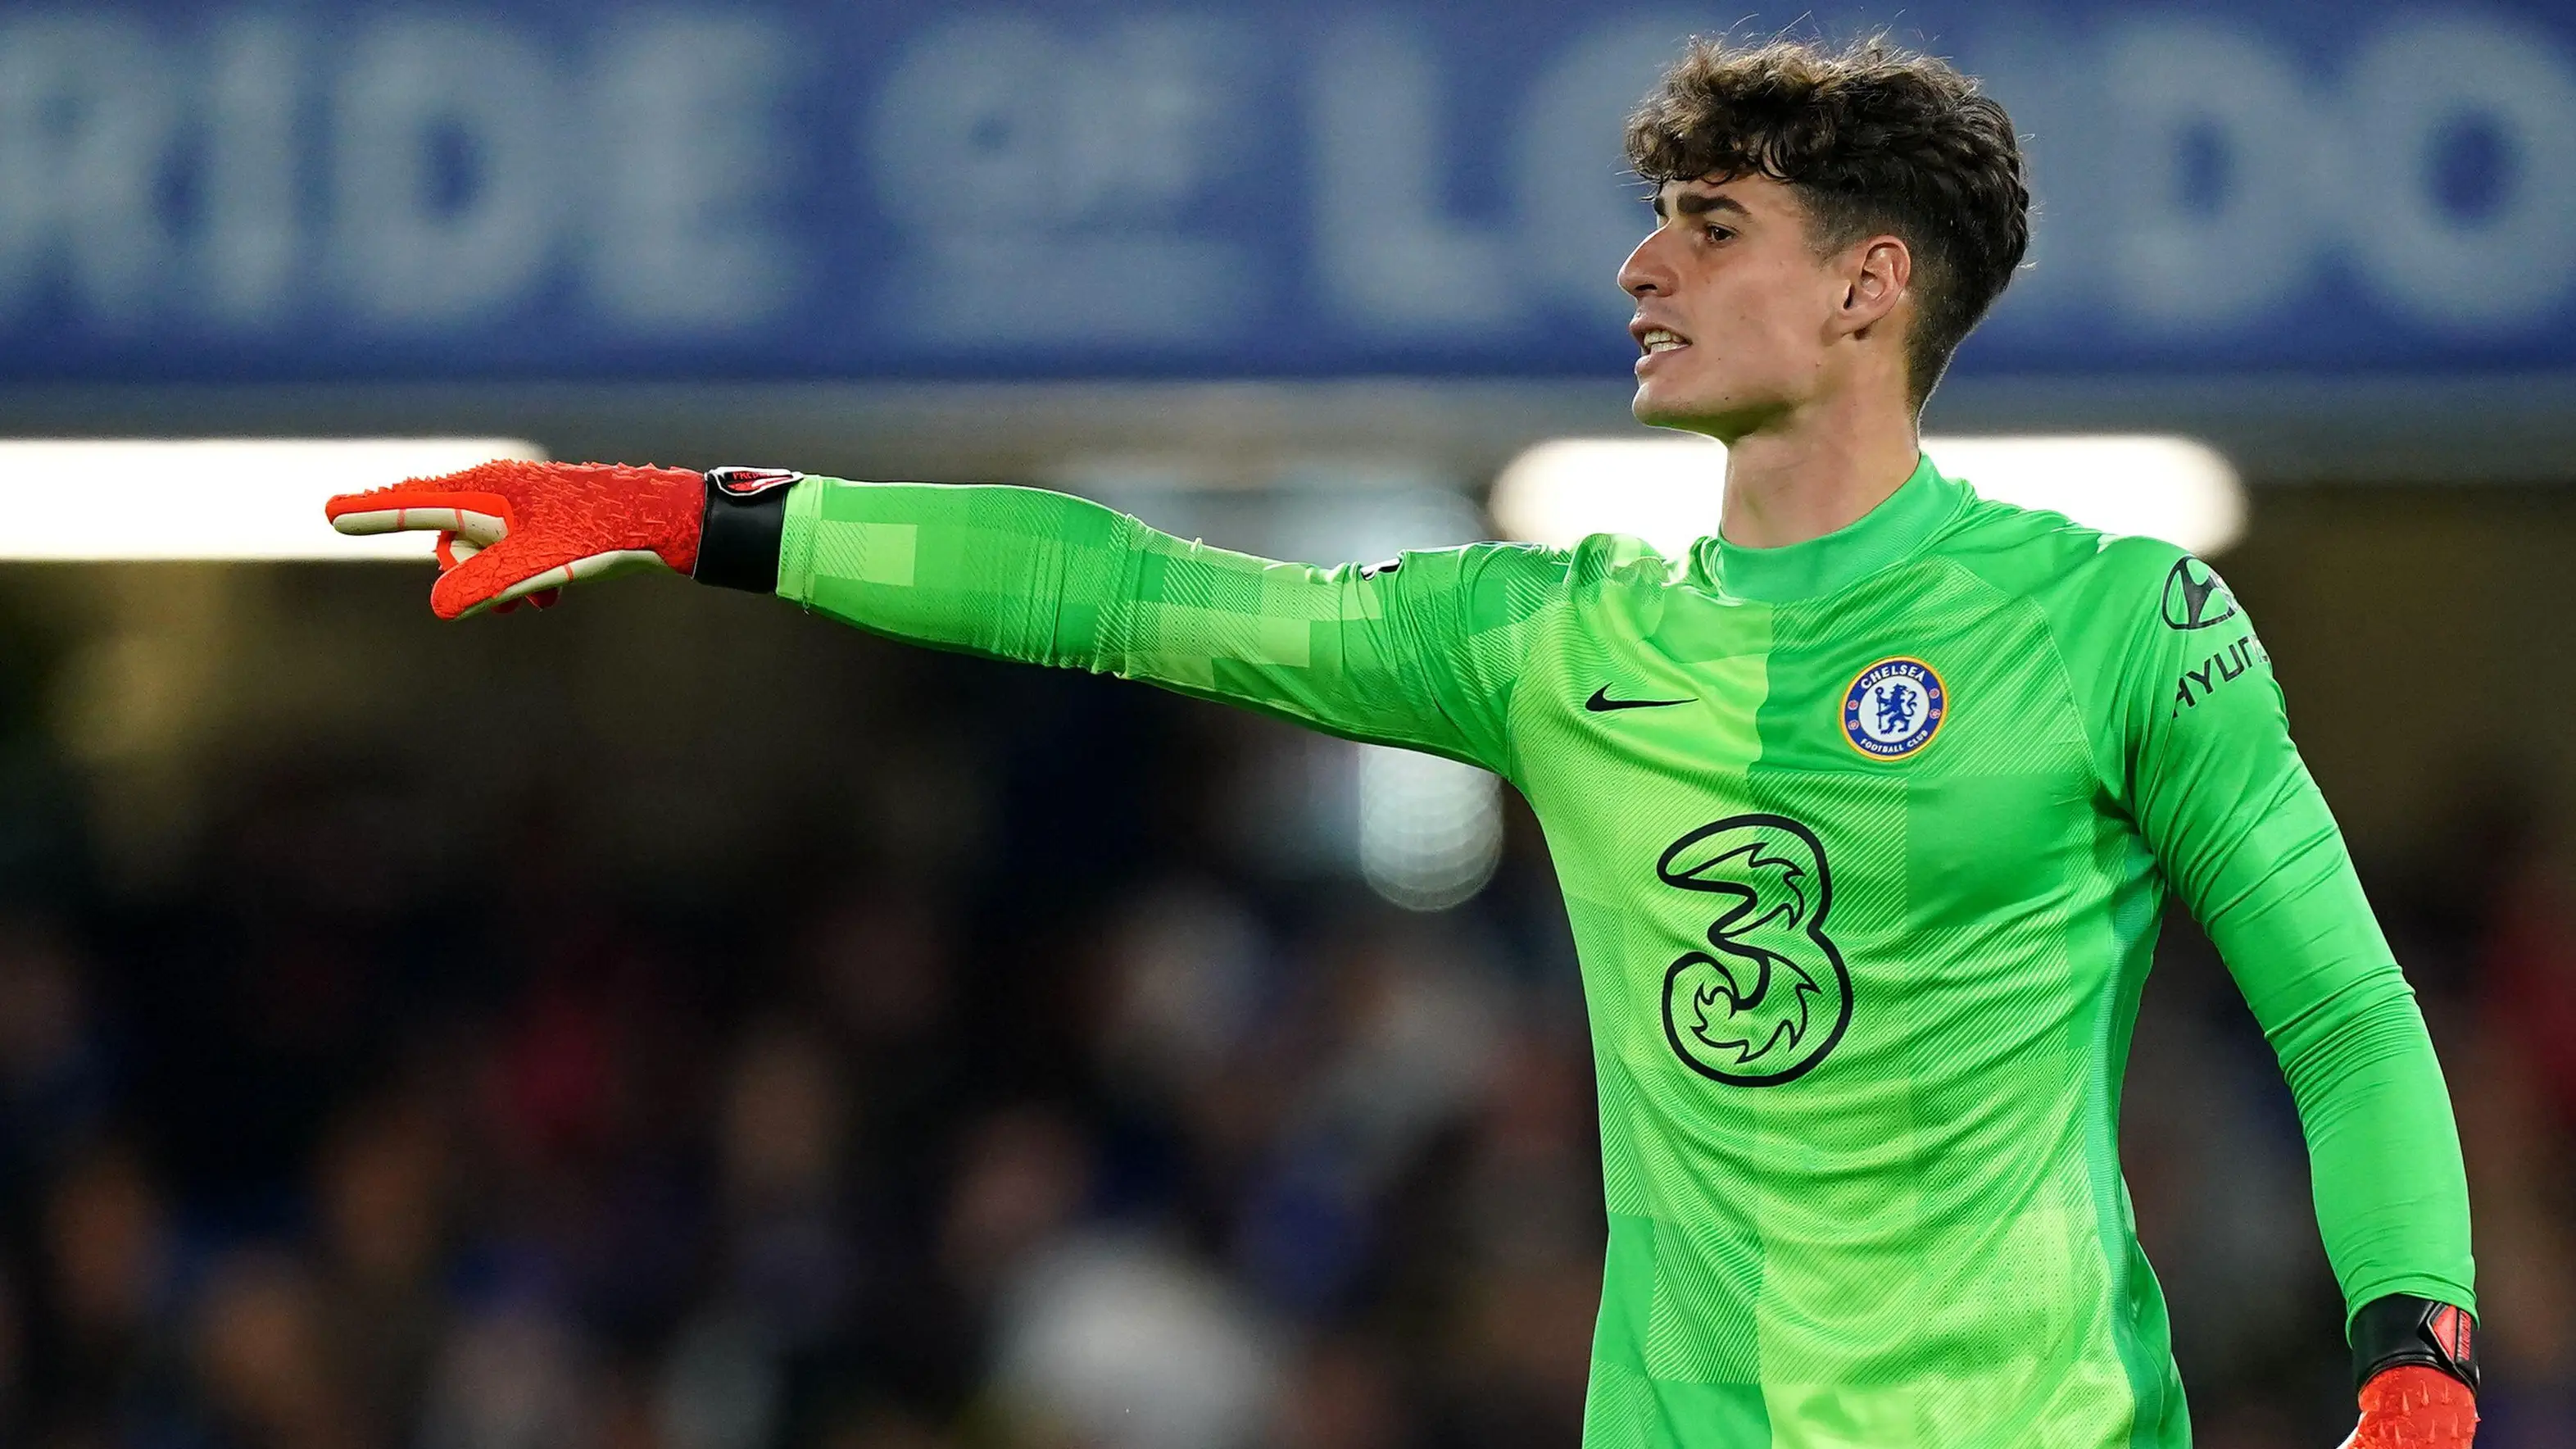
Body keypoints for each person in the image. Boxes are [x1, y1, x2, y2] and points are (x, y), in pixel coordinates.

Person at [326, 34, 2477, 1449]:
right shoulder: (1550, 642)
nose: (1640, 263)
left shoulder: (2120, 622)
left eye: (1709, 228)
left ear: (1865, 290)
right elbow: (1109, 589)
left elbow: (2352, 1025)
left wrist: (2418, 1364)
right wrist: (676, 512)